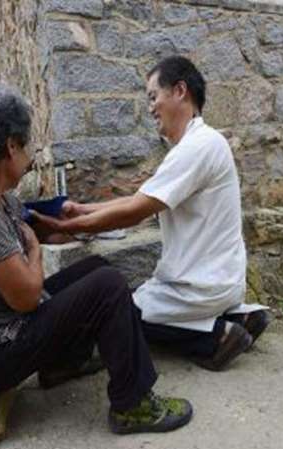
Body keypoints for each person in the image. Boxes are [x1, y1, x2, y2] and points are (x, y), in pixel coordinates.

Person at [0, 83, 192, 436]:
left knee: (96, 270)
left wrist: (76, 223)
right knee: (107, 286)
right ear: (10, 146)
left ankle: (61, 366)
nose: (30, 158)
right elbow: (26, 297)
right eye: (28, 146)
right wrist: (36, 251)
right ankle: (132, 406)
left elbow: (40, 230)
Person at [32, 56, 269, 372]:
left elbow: (134, 211)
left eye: (153, 96)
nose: (150, 108)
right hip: (221, 280)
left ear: (180, 91)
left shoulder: (196, 148)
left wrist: (69, 227)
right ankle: (240, 316)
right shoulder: (199, 144)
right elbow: (141, 198)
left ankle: (217, 337)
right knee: (135, 306)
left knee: (119, 314)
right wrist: (83, 209)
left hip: (200, 286)